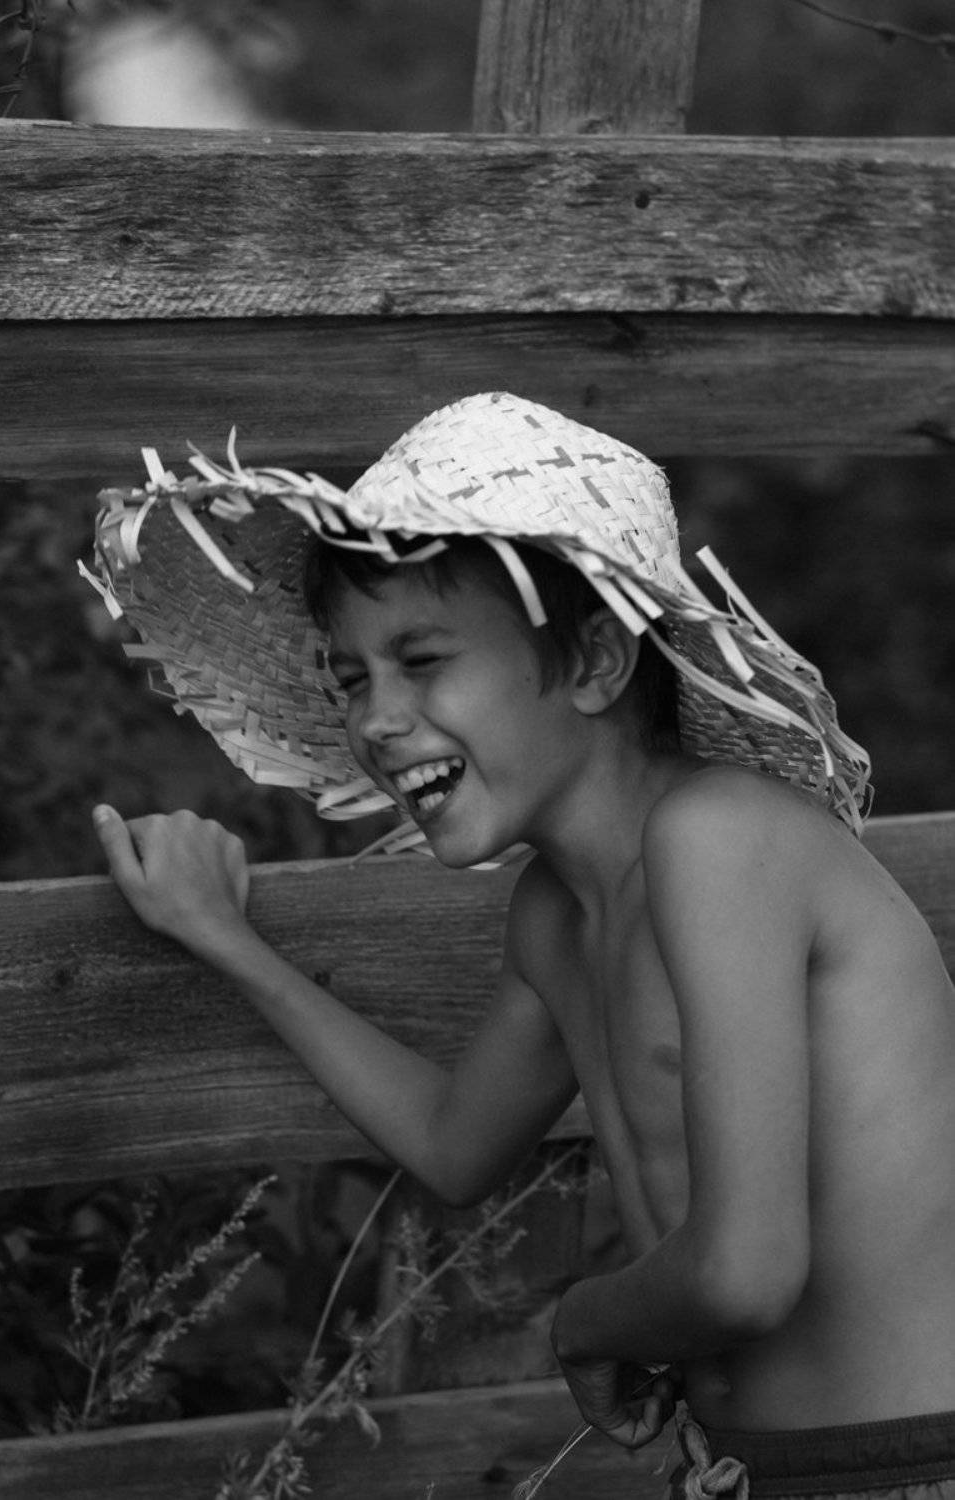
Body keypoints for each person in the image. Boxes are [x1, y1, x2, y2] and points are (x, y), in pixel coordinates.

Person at [84, 393, 955, 1498]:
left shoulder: (721, 838)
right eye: (352, 678)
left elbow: (745, 1275)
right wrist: (226, 938)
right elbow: (455, 1145)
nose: (376, 719)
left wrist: (584, 1325)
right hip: (752, 1471)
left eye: (421, 659)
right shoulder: (557, 910)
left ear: (594, 660)